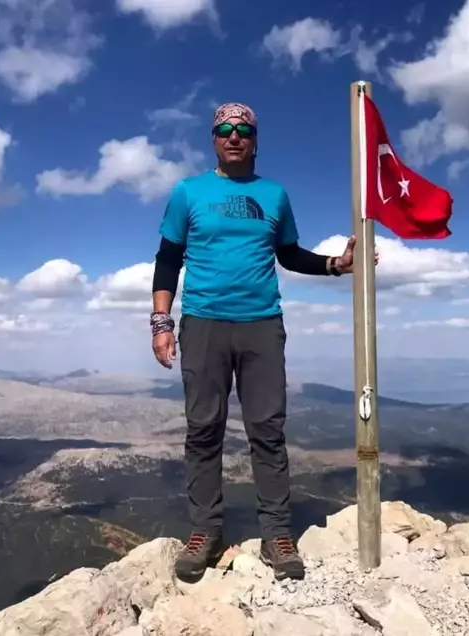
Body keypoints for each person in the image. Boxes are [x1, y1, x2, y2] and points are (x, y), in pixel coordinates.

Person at [151, 102, 379, 582]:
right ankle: (204, 532)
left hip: (261, 324)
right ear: (213, 139)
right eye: (224, 130)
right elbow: (169, 257)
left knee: (267, 431)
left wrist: (336, 265)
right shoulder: (188, 192)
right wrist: (161, 321)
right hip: (203, 322)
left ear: (255, 139)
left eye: (243, 130)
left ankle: (277, 535)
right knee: (203, 430)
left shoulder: (274, 195)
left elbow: (289, 254)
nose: (233, 136)